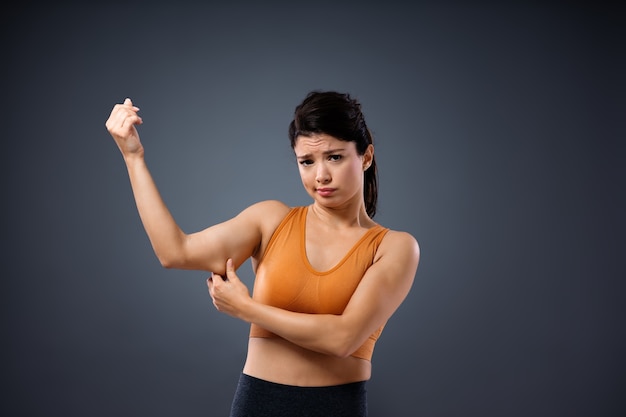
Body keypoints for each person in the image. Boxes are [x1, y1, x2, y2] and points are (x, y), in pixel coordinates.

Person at [105, 91, 420, 417]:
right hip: (259, 403)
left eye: (335, 157)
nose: (320, 176)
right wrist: (134, 157)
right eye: (307, 162)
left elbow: (343, 339)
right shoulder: (271, 221)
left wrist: (247, 309)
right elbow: (174, 251)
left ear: (366, 156)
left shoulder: (394, 247)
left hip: (338, 407)